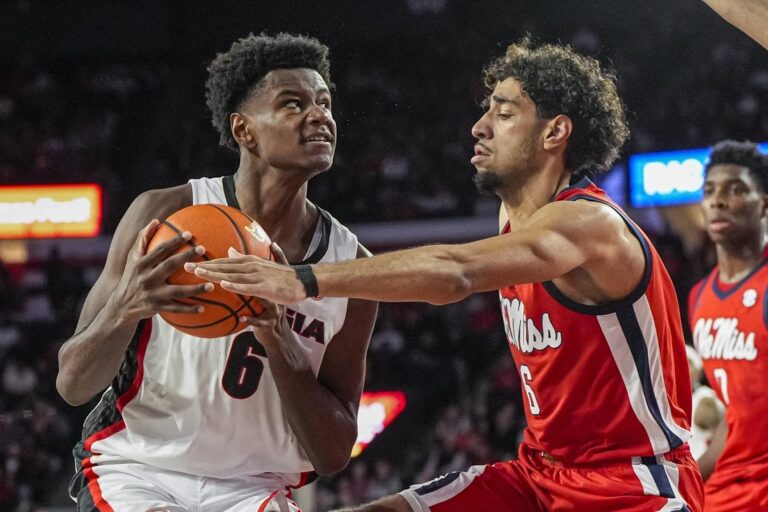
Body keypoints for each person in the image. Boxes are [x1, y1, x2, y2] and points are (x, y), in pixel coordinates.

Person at [188, 38, 704, 511]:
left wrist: (303, 279)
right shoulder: (511, 220)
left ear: (555, 132)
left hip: (632, 483)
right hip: (539, 476)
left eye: (503, 114)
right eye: (485, 111)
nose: (479, 127)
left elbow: (455, 272)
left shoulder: (589, 223)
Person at [56, 33, 378, 512]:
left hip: (254, 488)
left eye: (325, 103)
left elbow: (331, 453)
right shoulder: (163, 215)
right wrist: (126, 307)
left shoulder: (352, 269)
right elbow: (73, 383)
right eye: (294, 104)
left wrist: (279, 339)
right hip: (138, 470)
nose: (320, 116)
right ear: (244, 130)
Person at [688, 140, 768, 510]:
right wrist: (685, 478)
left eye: (735, 189)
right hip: (725, 486)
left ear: (764, 203)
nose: (717, 200)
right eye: (709, 191)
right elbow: (734, 417)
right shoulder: (699, 298)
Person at [685, 345, 724, 461]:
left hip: (700, 467)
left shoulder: (704, 397)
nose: (679, 367)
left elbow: (706, 417)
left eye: (688, 363)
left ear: (698, 372)